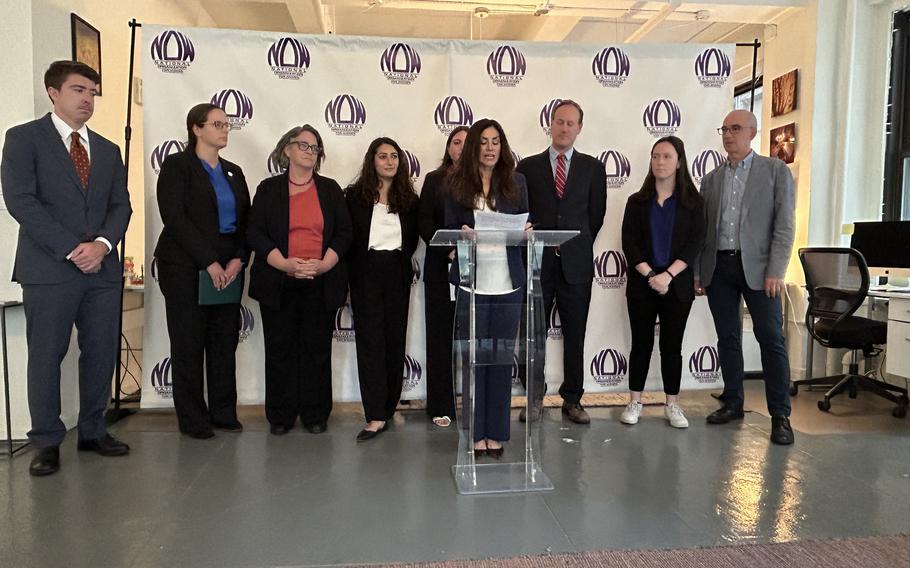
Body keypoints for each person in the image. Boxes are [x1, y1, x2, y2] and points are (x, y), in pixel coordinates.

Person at [1, 61, 132, 476]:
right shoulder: (23, 139)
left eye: (92, 92)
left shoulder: (109, 150)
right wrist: (73, 248)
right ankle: (46, 441)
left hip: (102, 270)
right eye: (78, 90)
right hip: (49, 268)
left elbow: (120, 206)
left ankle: (93, 430)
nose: (87, 99)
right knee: (46, 355)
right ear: (53, 92)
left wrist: (102, 245)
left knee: (99, 353)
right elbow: (21, 201)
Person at [696, 109, 796, 445]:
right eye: (724, 129)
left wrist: (776, 270)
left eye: (735, 128)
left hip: (760, 269)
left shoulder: (775, 171)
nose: (728, 135)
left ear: (752, 132)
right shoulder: (710, 179)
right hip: (719, 268)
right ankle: (733, 401)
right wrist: (699, 271)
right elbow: (704, 231)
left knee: (771, 338)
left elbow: (784, 225)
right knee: (727, 337)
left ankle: (780, 415)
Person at [247, 125, 352, 435]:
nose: (310, 151)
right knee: (279, 349)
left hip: (320, 280)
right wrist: (283, 263)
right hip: (278, 280)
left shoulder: (331, 189)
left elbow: (345, 233)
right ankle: (280, 416)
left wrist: (323, 265)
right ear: (287, 150)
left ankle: (315, 414)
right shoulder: (268, 189)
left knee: (316, 349)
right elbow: (255, 232)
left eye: (315, 147)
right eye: (303, 145)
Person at [155, 103, 251, 439]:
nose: (225, 129)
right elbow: (175, 217)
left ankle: (223, 412)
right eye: (217, 124)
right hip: (185, 266)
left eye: (227, 124)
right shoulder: (177, 166)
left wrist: (239, 258)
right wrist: (208, 262)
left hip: (228, 268)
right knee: (189, 343)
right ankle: (193, 419)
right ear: (196, 128)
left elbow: (245, 222)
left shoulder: (234, 171)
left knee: (223, 343)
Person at [516, 100, 607, 424]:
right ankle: (535, 399)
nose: (564, 127)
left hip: (576, 264)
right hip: (537, 265)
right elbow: (521, 213)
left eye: (571, 123)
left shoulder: (593, 168)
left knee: (575, 335)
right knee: (533, 336)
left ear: (579, 128)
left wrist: (574, 244)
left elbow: (595, 216)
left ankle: (572, 400)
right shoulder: (526, 167)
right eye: (559, 121)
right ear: (550, 125)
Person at [444, 119, 530, 459]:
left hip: (508, 281)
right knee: (475, 360)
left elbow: (524, 221)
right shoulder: (455, 183)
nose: (490, 148)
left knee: (499, 359)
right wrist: (461, 235)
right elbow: (449, 229)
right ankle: (476, 434)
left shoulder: (516, 182)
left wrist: (527, 231)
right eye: (483, 142)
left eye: (496, 141)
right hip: (472, 282)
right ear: (473, 148)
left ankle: (496, 433)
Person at [619, 136, 706, 428]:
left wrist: (668, 275)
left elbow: (695, 243)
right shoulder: (637, 201)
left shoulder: (693, 203)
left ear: (679, 162)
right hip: (643, 284)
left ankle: (672, 403)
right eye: (656, 156)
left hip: (677, 285)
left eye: (667, 157)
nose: (660, 162)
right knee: (640, 344)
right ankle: (635, 401)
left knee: (672, 346)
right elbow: (629, 243)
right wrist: (651, 275)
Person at [346, 137, 419, 442]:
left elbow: (413, 239)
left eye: (394, 156)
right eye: (382, 156)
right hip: (366, 272)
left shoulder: (409, 200)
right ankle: (374, 414)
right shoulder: (354, 196)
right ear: (371, 161)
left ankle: (388, 407)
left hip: (397, 273)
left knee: (393, 340)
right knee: (370, 342)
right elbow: (348, 238)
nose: (389, 162)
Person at [417, 126, 468, 428]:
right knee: (440, 338)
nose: (461, 147)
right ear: (448, 148)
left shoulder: (483, 181)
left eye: (466, 142)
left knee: (474, 341)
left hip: (478, 271)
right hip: (441, 269)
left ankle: (475, 403)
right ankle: (440, 404)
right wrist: (449, 252)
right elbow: (425, 223)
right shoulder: (434, 181)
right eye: (456, 142)